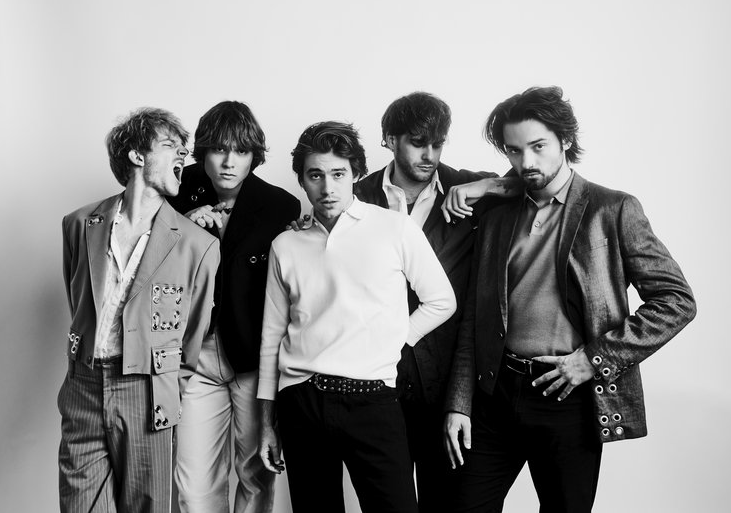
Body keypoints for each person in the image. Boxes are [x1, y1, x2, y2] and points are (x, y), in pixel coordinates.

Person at [443, 86, 697, 512]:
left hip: (568, 397)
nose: (526, 162)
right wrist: (459, 402)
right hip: (495, 394)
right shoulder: (497, 215)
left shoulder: (612, 209)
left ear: (565, 139)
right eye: (514, 150)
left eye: (538, 146)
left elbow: (676, 300)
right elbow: (475, 316)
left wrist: (594, 359)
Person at [257, 121, 456, 513]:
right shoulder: (286, 244)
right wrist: (266, 423)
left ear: (356, 175)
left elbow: (441, 300)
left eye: (338, 174)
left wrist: (397, 339)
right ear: (302, 180)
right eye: (315, 175)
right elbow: (271, 337)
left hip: (373, 400)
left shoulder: (394, 228)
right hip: (302, 400)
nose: (327, 188)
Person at [354, 91, 520, 512]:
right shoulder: (357, 195)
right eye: (417, 143)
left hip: (447, 380)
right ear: (390, 139)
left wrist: (485, 185)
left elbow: (536, 178)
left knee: (446, 503)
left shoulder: (467, 187)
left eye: (438, 144)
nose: (429, 155)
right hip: (377, 376)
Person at [58, 107, 220, 512]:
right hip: (83, 385)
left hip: (148, 391)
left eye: (184, 149)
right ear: (136, 156)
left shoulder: (198, 245)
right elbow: (79, 301)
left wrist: (166, 387)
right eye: (170, 146)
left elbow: (192, 336)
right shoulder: (78, 225)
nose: (183, 155)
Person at [168, 101, 300, 513]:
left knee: (255, 475)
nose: (228, 162)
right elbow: (148, 254)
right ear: (202, 152)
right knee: (193, 486)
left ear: (253, 156)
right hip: (195, 354)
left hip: (253, 357)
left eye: (241, 151)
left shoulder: (279, 206)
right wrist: (185, 225)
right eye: (219, 150)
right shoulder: (174, 190)